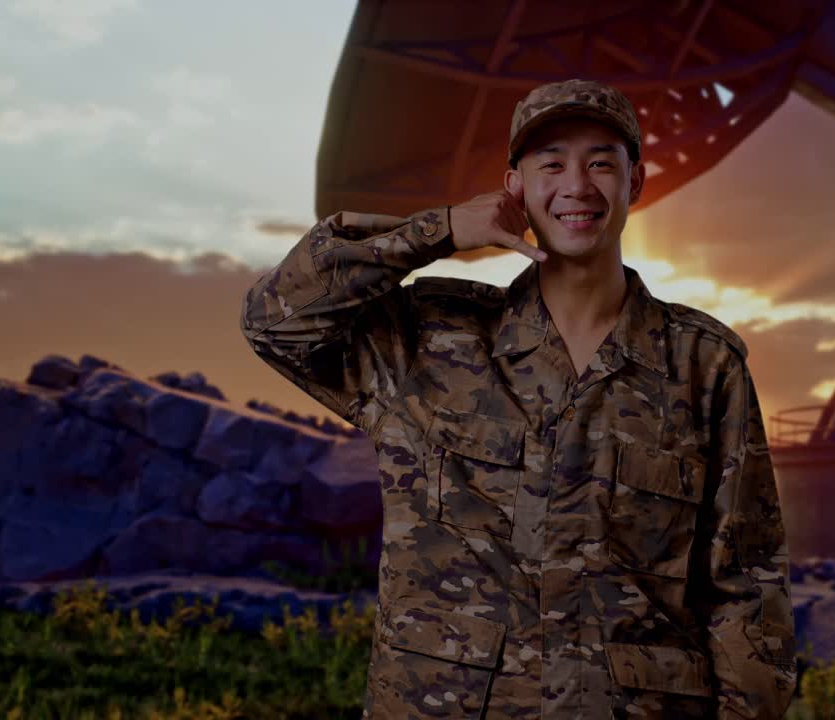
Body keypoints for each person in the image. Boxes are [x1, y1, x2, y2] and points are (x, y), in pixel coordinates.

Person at [240, 78, 795, 720]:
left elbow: (746, 587)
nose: (577, 186)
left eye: (601, 163)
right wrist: (441, 229)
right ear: (515, 187)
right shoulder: (429, 340)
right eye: (551, 163)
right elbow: (273, 320)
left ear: (636, 182)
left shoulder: (703, 365)